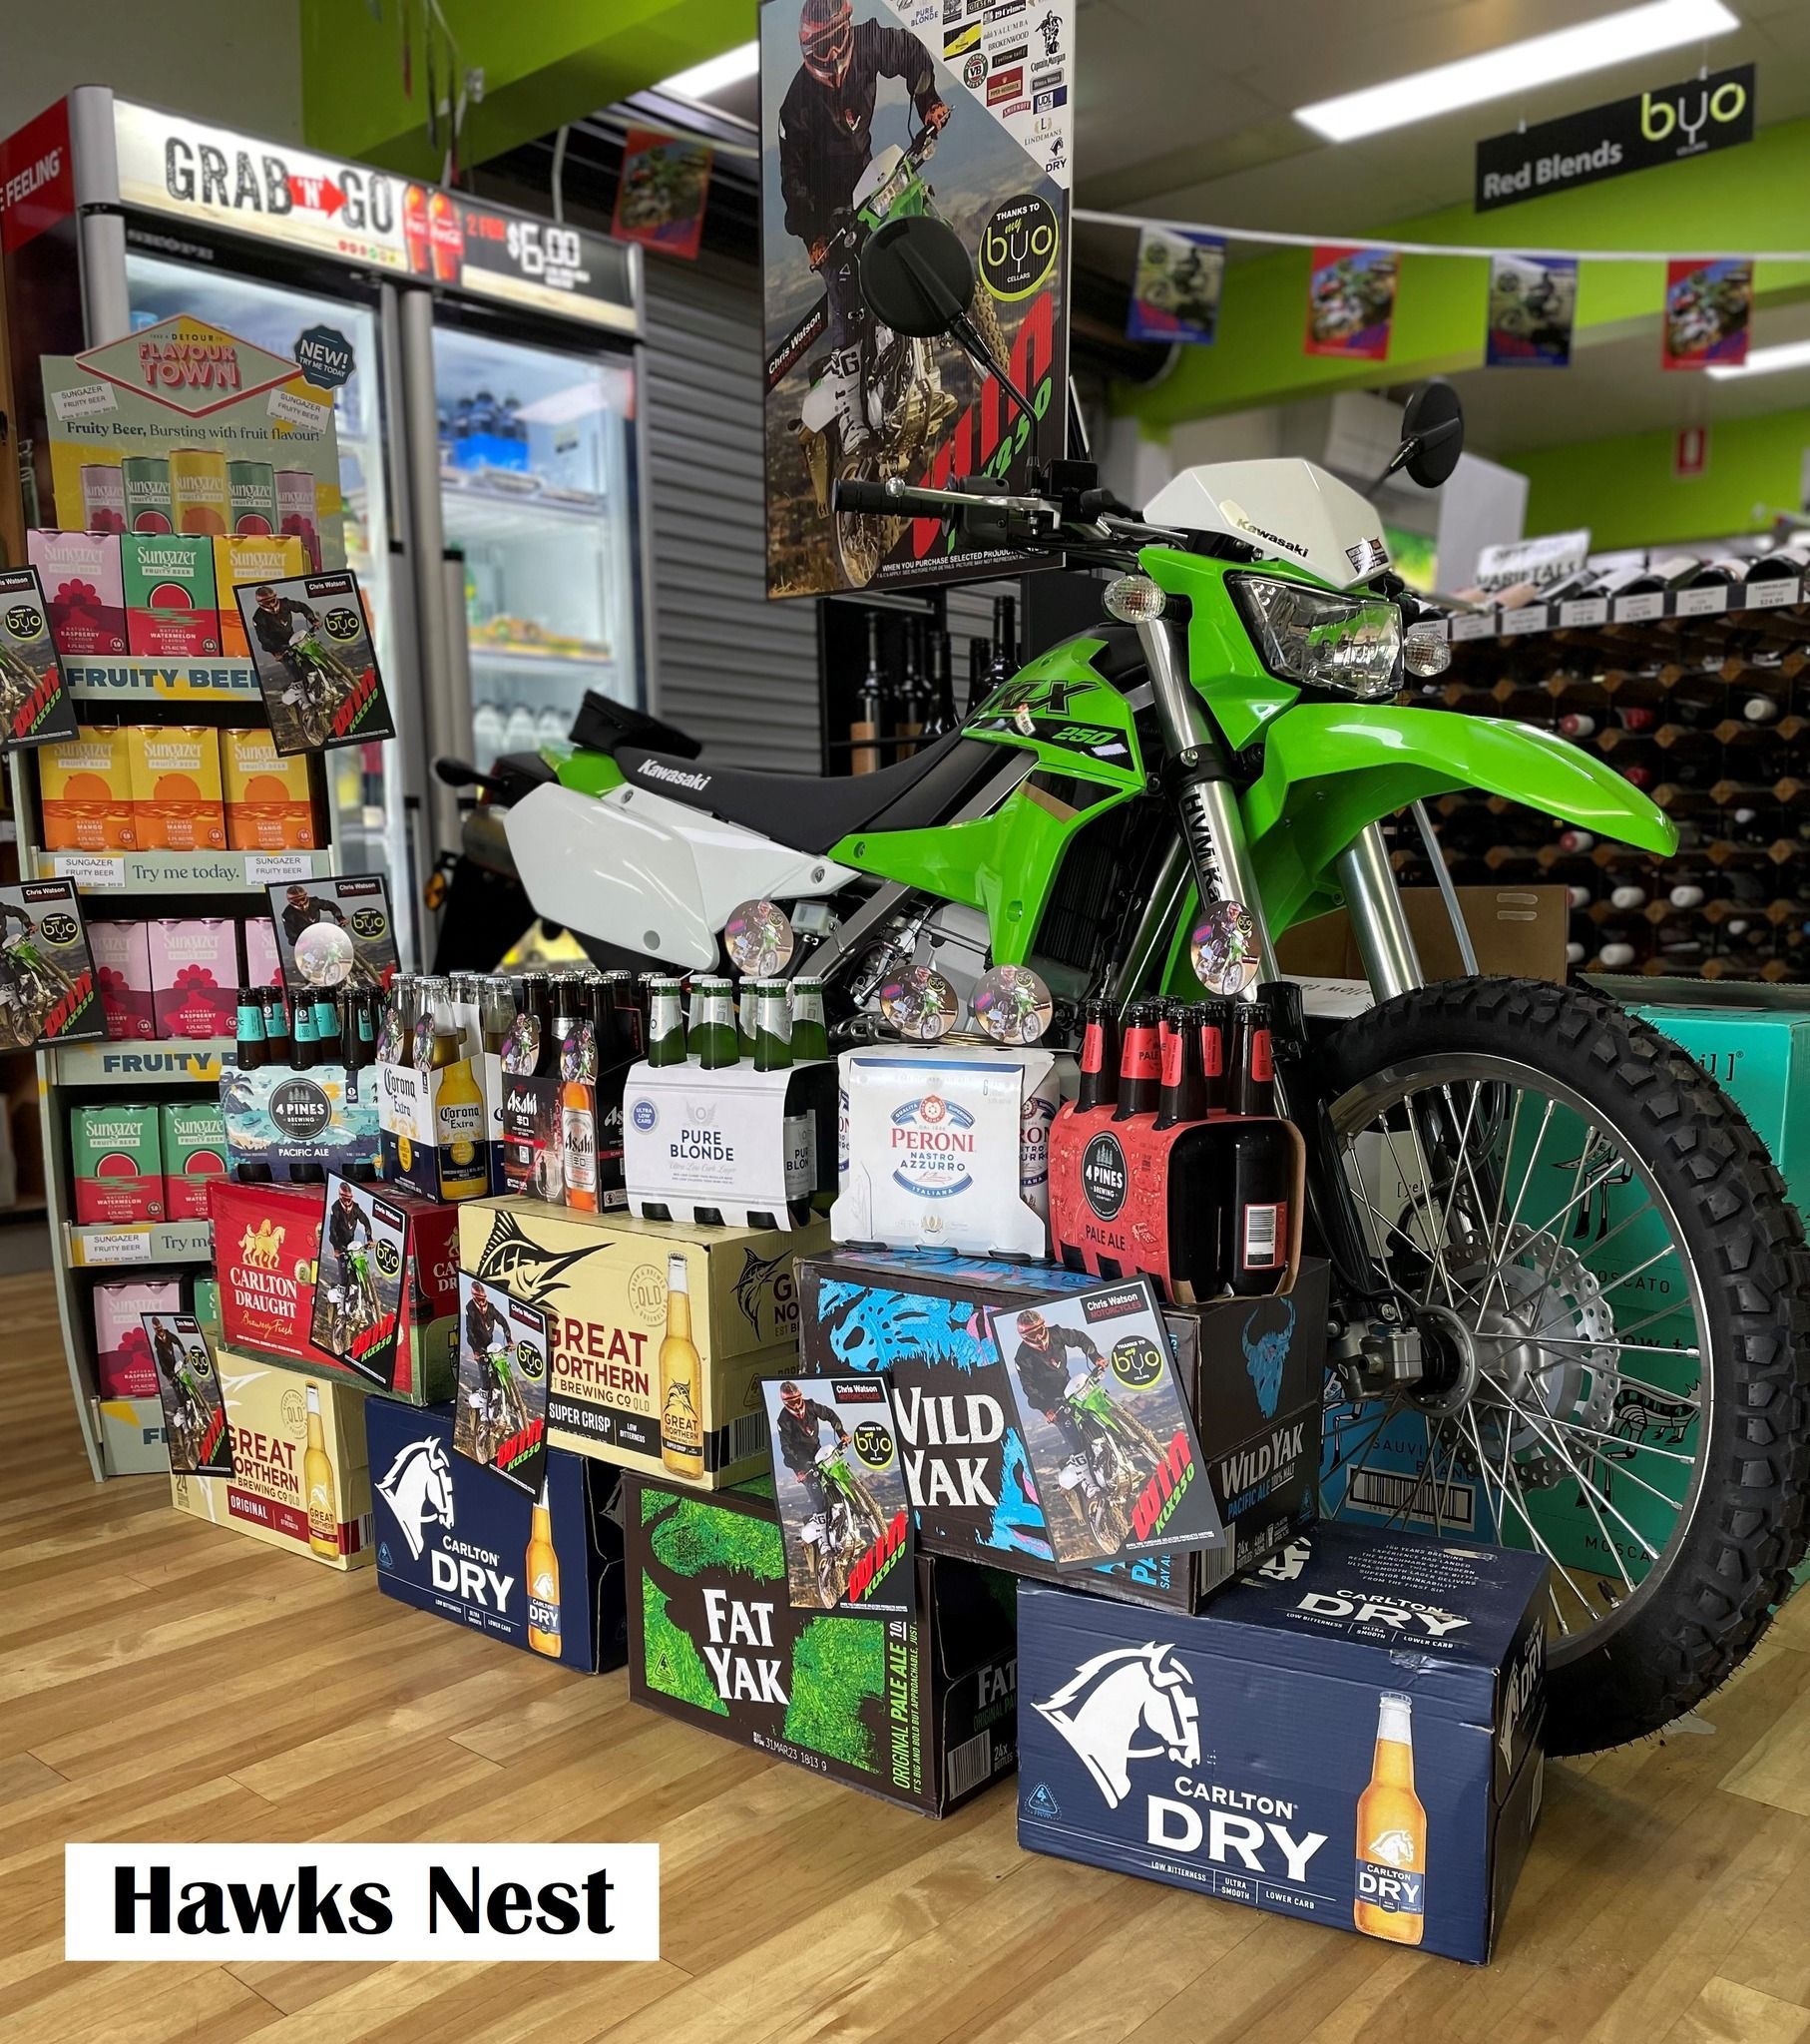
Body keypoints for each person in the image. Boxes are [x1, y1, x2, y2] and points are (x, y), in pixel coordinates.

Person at [777, 0, 947, 454]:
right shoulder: (795, 104)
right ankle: (853, 418)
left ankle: (923, 368)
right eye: (819, 47)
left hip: (868, 179)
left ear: (847, 28)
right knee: (845, 288)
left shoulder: (871, 41)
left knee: (902, 231)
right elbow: (792, 181)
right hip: (827, 207)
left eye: (835, 41)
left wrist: (927, 100)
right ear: (805, 49)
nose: (831, 56)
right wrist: (814, 235)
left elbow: (910, 52)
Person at [1010, 1308, 1104, 1476]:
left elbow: (1080, 1338)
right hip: (1051, 1400)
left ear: (1044, 1327)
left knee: (1095, 1410)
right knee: (1073, 1437)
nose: (1038, 1338)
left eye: (1039, 1331)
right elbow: (1029, 1388)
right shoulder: (1022, 1357)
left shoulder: (1057, 1333)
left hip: (1070, 1386)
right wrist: (1046, 1409)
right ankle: (1088, 1483)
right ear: (1024, 1338)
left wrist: (1095, 1357)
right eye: (1032, 1335)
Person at [773, 1378, 849, 1530]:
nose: (795, 1404)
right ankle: (823, 1541)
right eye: (791, 1402)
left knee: (838, 1476)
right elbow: (786, 1448)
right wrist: (798, 1470)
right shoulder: (783, 1420)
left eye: (797, 1400)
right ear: (784, 1402)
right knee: (819, 1499)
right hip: (802, 1461)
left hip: (818, 1450)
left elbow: (830, 1414)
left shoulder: (811, 1406)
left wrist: (842, 1433)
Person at [324, 1182, 373, 1333]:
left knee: (355, 1277)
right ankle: (341, 1309)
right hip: (341, 1245)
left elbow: (365, 1221)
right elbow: (332, 1230)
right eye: (344, 1198)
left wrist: (370, 1238)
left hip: (353, 1244)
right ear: (340, 1197)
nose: (347, 1201)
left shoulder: (356, 1208)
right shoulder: (335, 1208)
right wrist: (336, 1248)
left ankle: (360, 1304)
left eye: (349, 1198)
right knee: (344, 1279)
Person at [280, 883, 347, 953]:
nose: (300, 903)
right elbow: (291, 935)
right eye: (296, 901)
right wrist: (306, 942)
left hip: (319, 934)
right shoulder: (287, 914)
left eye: (302, 899)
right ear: (290, 901)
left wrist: (340, 918)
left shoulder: (314, 902)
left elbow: (331, 905)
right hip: (303, 942)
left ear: (306, 896)